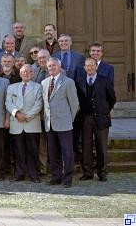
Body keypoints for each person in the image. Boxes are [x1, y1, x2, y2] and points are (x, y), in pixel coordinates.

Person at [75, 58, 116, 182]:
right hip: (85, 119)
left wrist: (105, 111)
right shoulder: (79, 81)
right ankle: (88, 172)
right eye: (87, 66)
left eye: (92, 65)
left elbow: (112, 98)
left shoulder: (104, 80)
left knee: (101, 147)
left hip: (101, 118)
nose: (90, 68)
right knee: (86, 147)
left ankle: (102, 172)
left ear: (96, 67)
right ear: (84, 68)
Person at [42, 58, 79, 188]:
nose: (51, 68)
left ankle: (68, 179)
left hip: (64, 123)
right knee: (53, 152)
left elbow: (74, 104)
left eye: (54, 65)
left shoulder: (68, 82)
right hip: (49, 123)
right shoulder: (44, 82)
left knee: (67, 152)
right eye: (49, 66)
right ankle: (56, 177)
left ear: (59, 67)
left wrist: (69, 118)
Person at [5, 65, 43, 183]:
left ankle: (34, 175)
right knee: (18, 151)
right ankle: (19, 174)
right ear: (20, 74)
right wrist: (16, 113)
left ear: (32, 73)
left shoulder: (38, 87)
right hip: (16, 123)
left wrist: (26, 116)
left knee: (33, 151)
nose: (26, 73)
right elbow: (8, 103)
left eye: (28, 71)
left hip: (32, 123)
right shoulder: (12, 87)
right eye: (23, 72)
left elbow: (39, 104)